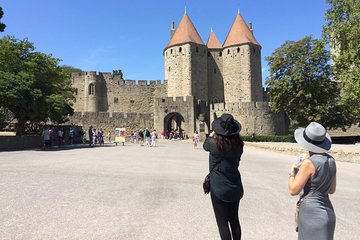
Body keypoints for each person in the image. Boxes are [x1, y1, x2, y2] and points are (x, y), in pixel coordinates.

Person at [288, 122, 337, 240]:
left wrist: (292, 173)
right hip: (328, 212)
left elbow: (293, 190)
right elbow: (332, 190)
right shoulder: (331, 161)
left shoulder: (308, 163)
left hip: (311, 213)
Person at [203, 113, 244, 240]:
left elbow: (205, 145)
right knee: (234, 220)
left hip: (218, 187)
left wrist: (210, 135)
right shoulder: (239, 145)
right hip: (235, 185)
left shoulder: (214, 144)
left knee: (222, 223)